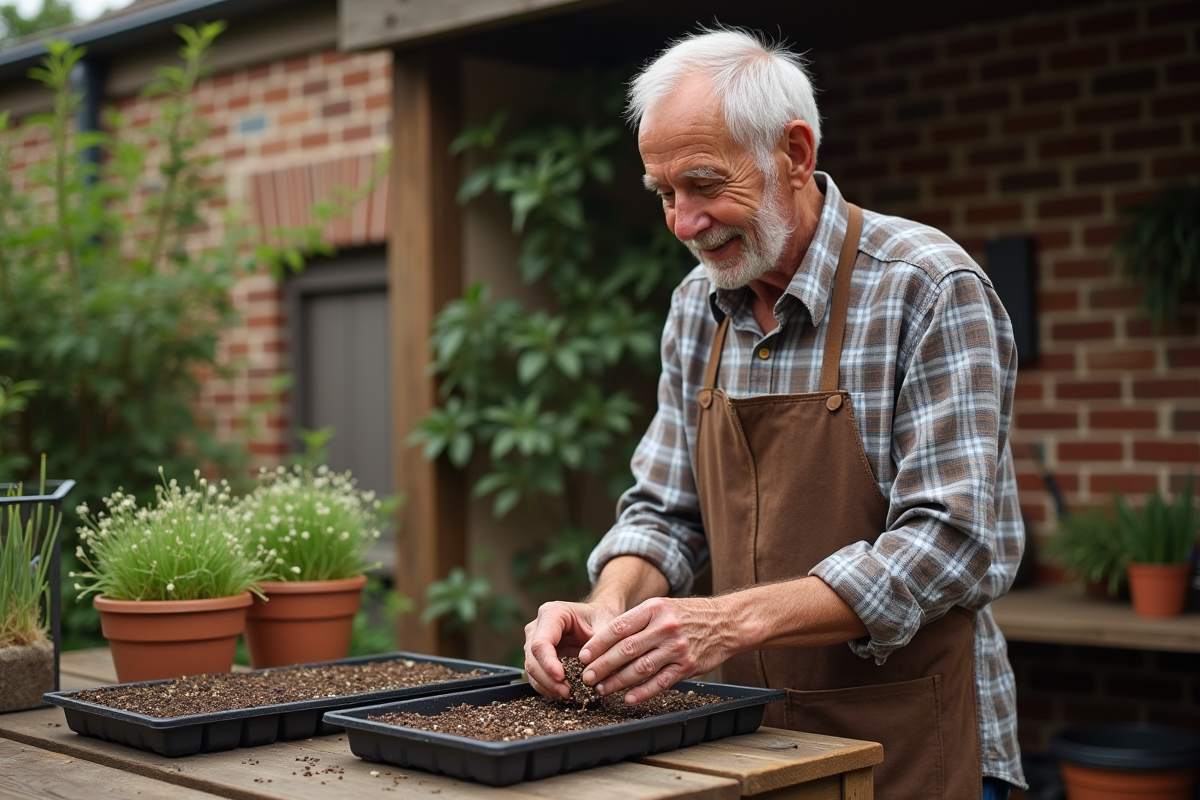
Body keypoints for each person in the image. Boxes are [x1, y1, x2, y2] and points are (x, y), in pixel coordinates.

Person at [523, 28, 1025, 800]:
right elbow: (666, 511)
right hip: (750, 746)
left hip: (910, 735)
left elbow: (948, 544)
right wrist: (607, 604)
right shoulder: (698, 309)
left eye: (702, 184)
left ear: (794, 153)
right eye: (665, 195)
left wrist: (727, 623)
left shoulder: (927, 287)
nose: (685, 223)